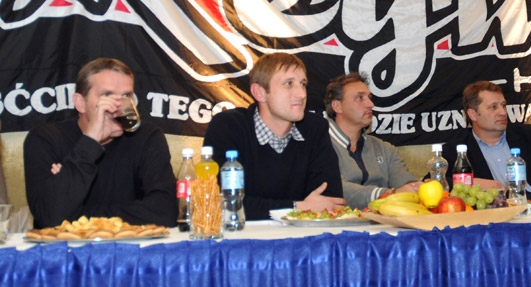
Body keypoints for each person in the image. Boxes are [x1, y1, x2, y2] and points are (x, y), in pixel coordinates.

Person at [23, 58, 177, 229]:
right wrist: (90, 142)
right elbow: (49, 217)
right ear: (80, 103)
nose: (118, 105)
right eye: (106, 95)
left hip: (133, 244)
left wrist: (75, 217)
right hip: (66, 246)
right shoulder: (45, 139)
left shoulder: (147, 137)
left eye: (126, 96)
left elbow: (165, 212)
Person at [203, 52, 345, 219]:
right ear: (259, 92)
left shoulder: (315, 129)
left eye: (303, 84)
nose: (302, 94)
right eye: (289, 84)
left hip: (301, 234)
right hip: (241, 234)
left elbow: (330, 201)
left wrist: (265, 207)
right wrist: (298, 207)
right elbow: (218, 202)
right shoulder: (228, 127)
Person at [443, 81, 531, 198]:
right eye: (493, 107)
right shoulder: (456, 150)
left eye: (503, 105)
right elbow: (437, 183)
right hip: (498, 216)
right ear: (473, 114)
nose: (503, 112)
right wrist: (473, 183)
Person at [325, 73, 420, 208]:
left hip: (382, 219)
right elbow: (335, 188)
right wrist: (388, 194)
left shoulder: (385, 149)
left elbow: (404, 181)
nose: (371, 104)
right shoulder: (318, 147)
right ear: (337, 106)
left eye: (369, 98)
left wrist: (417, 187)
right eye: (360, 98)